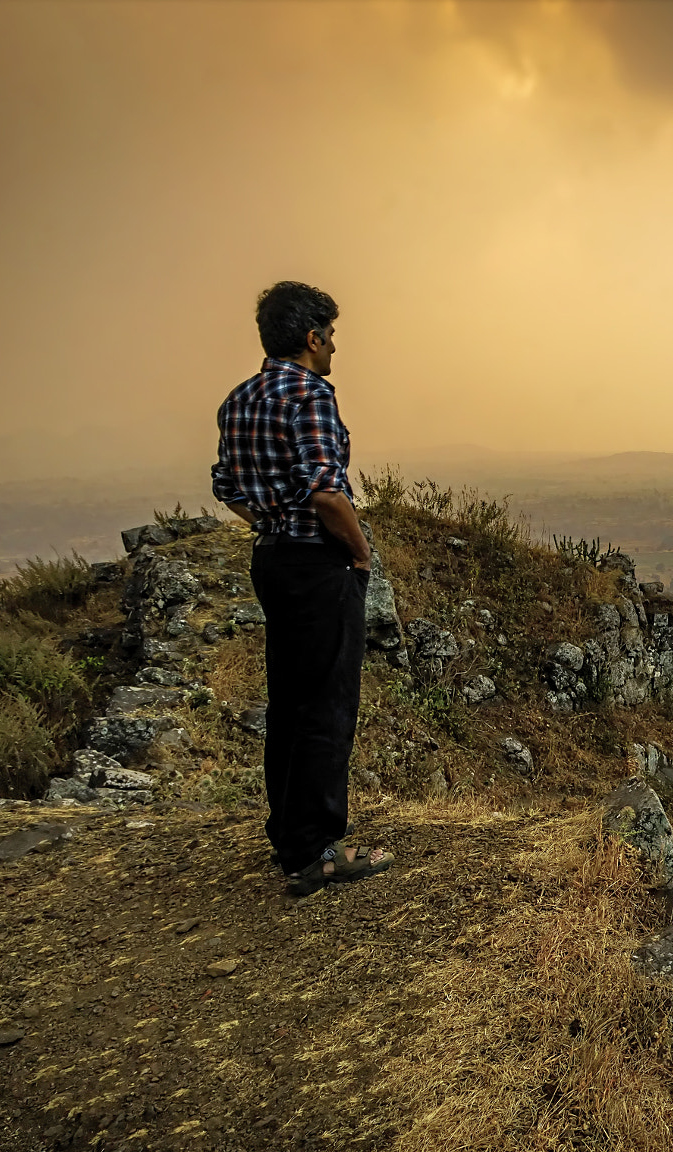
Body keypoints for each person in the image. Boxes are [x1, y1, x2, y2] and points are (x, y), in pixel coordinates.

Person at [212, 281, 393, 896]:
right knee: (327, 705)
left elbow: (226, 488)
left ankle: (288, 836)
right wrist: (360, 552)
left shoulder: (238, 400)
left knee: (289, 702)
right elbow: (324, 490)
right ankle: (316, 850)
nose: (335, 347)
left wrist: (269, 524)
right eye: (332, 336)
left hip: (272, 561)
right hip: (318, 564)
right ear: (312, 338)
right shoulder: (311, 393)